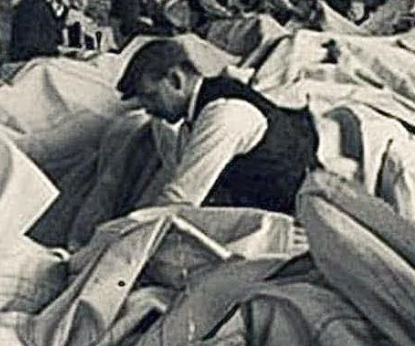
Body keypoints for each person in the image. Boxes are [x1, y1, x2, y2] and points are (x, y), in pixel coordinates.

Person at [115, 38, 319, 215]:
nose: (147, 108)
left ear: (176, 79)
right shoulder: (202, 105)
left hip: (286, 209)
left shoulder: (223, 114)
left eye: (151, 96)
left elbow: (181, 198)